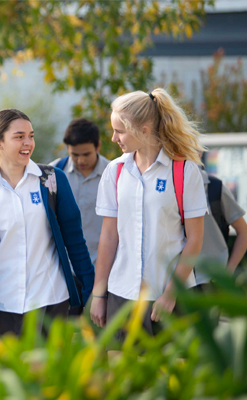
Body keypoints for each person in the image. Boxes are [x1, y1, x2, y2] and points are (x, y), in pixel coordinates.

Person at [0, 108, 94, 345]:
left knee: (49, 380)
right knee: (7, 381)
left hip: (51, 300)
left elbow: (75, 242)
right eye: (19, 136)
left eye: (31, 136)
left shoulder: (52, 180)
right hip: (0, 304)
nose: (28, 143)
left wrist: (90, 292)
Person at [90, 88, 207, 339]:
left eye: (119, 131)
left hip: (171, 298)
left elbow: (195, 240)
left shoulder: (185, 171)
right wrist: (99, 294)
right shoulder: (115, 171)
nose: (113, 138)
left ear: (142, 130)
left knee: (171, 378)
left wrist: (170, 294)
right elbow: (109, 237)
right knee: (121, 378)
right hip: (122, 295)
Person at [50, 118, 110, 265]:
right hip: (63, 267)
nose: (81, 160)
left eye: (86, 154)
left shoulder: (113, 175)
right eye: (75, 155)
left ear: (98, 147)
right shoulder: (54, 173)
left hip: (103, 266)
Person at [194, 168, 247, 290]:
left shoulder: (215, 187)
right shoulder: (164, 185)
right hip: (171, 280)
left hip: (210, 280)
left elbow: (243, 231)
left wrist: (228, 272)